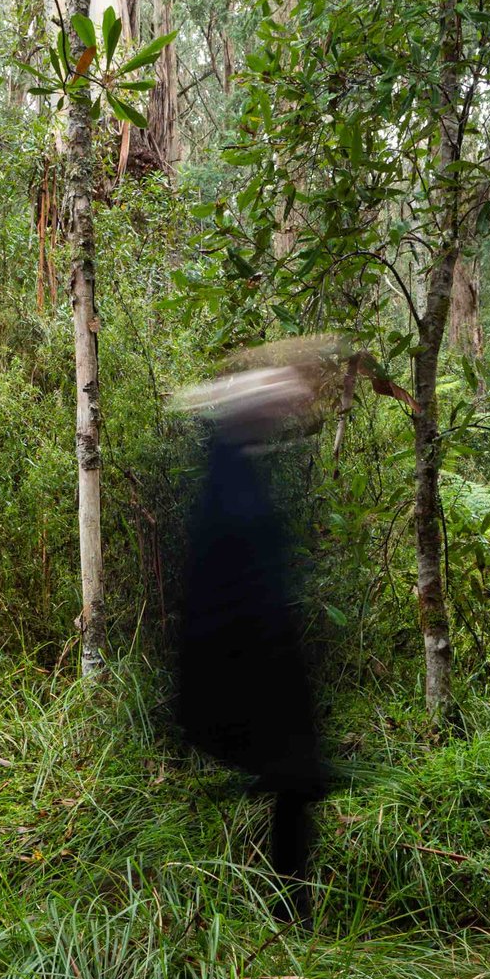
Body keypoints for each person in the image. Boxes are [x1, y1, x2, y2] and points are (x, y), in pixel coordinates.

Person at [171, 344, 337, 921]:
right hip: (249, 664)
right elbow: (237, 582)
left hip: (257, 663)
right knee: (293, 780)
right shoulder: (231, 482)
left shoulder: (235, 466)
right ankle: (292, 918)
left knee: (293, 782)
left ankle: (291, 912)